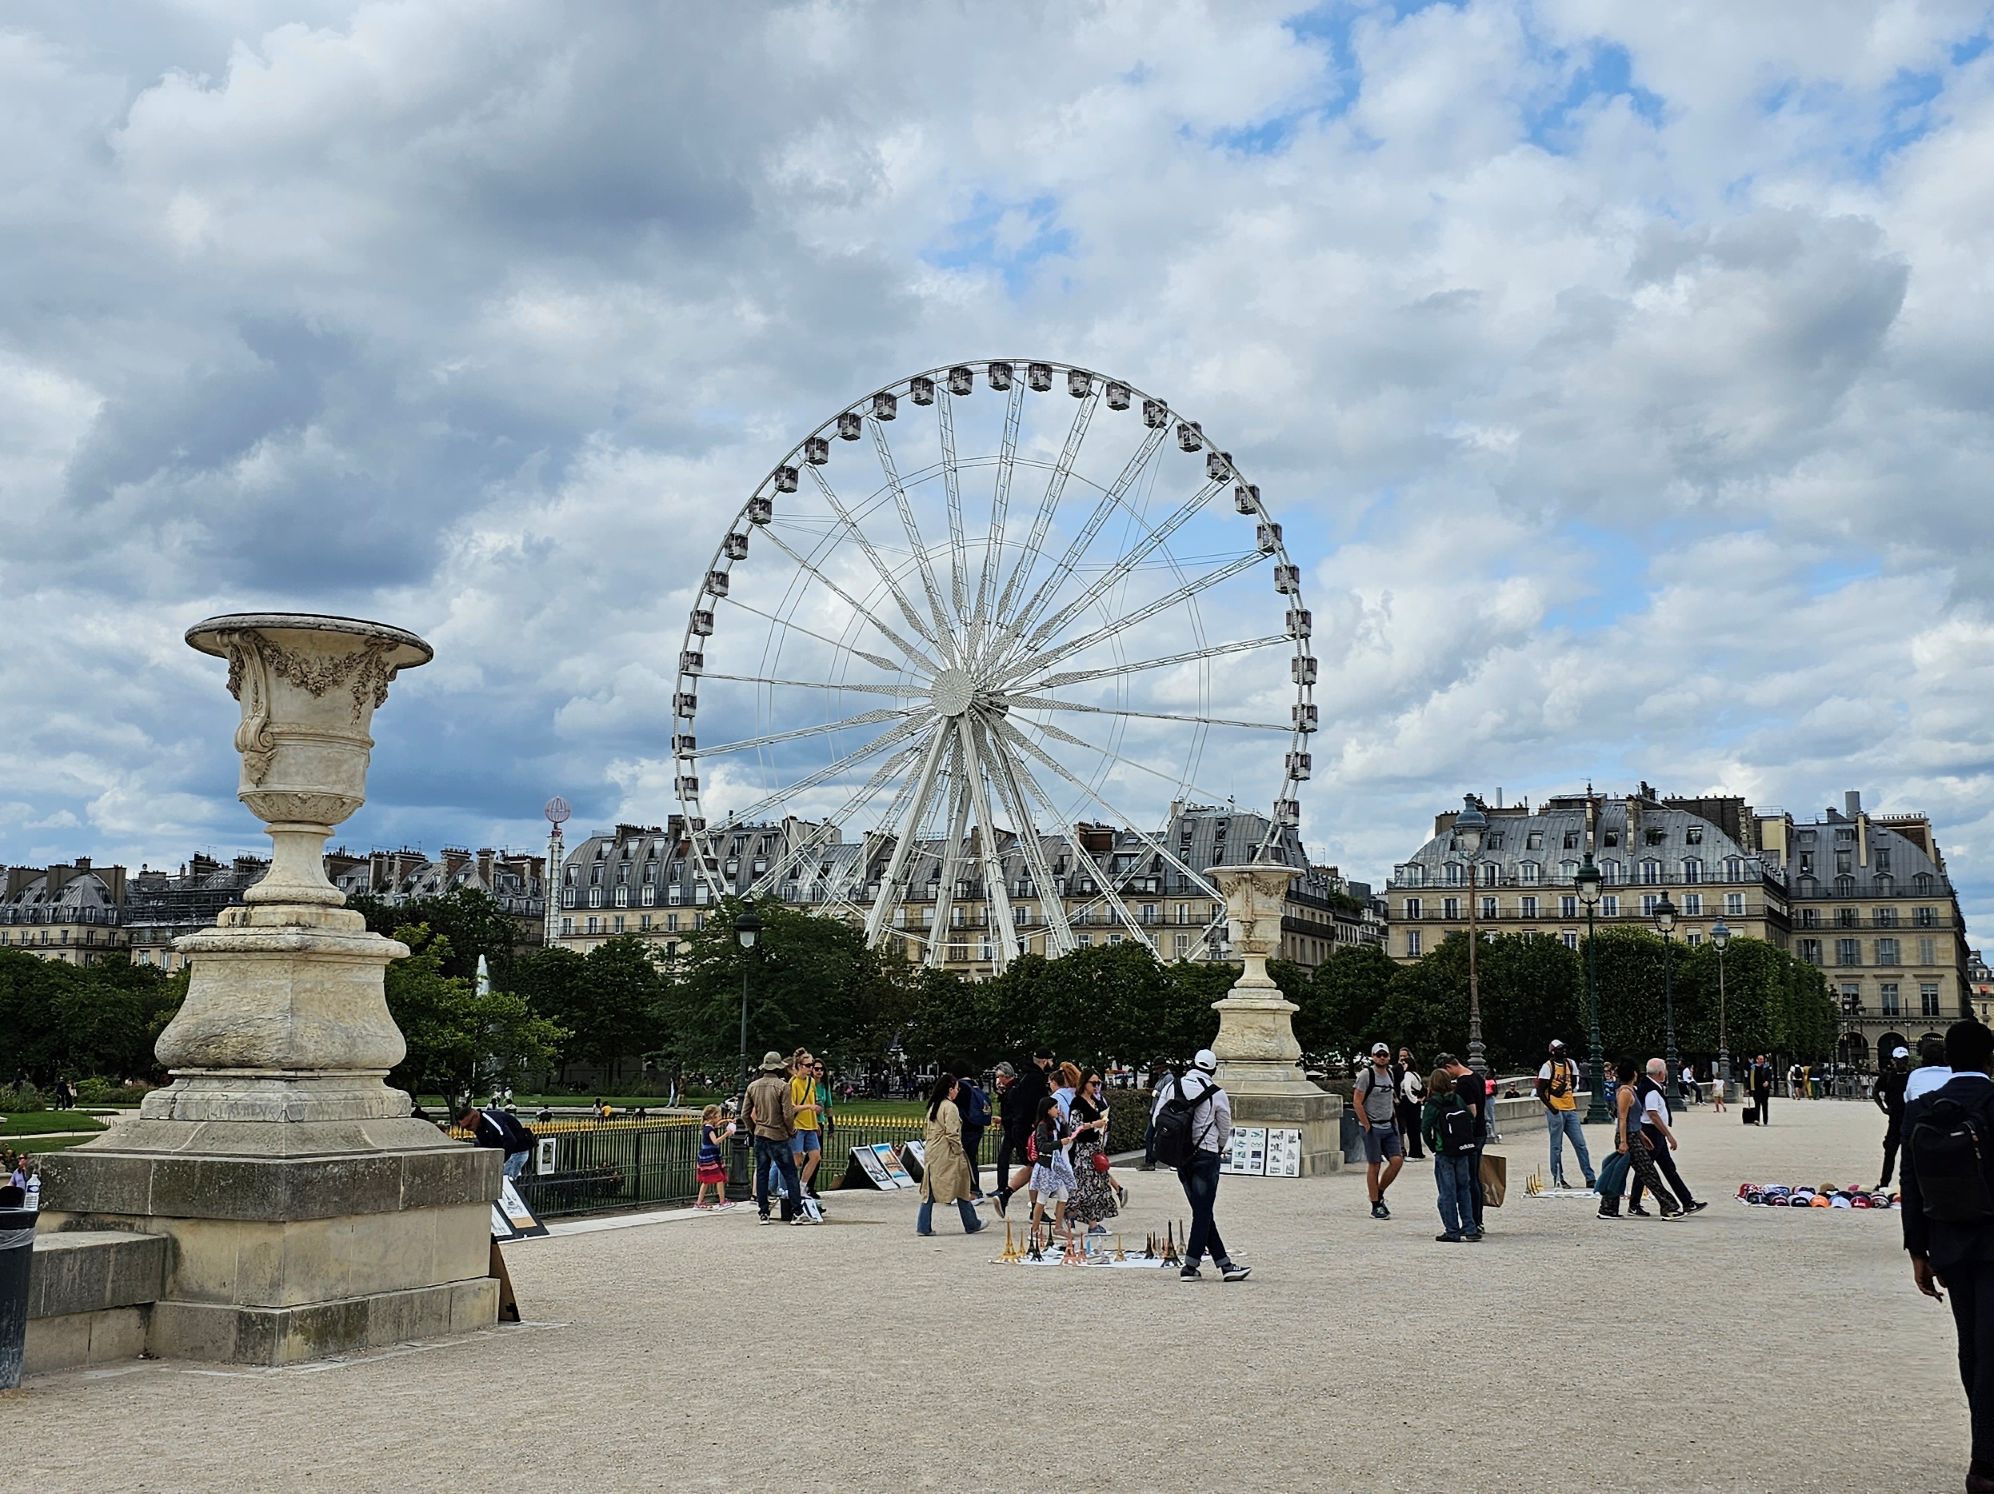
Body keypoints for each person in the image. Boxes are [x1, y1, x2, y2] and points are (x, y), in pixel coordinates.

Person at [1902, 1019, 1994, 1492]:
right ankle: (1985, 1460)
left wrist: (1918, 1250)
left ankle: (1983, 1450)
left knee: (1971, 1346)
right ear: (1988, 1058)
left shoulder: (1921, 1108)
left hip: (1951, 1240)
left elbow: (1910, 1184)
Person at [1151, 1049, 1248, 1281]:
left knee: (1201, 1210)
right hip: (1205, 1154)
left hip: (1180, 1154)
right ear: (1213, 1070)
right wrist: (1218, 1146)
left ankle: (1225, 1265)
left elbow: (1157, 1119)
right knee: (1203, 1211)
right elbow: (1224, 1128)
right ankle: (1190, 1266)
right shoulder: (1217, 1094)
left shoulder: (1172, 1086)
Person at [1597, 1057, 1681, 1220]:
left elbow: (1631, 1120)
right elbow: (1622, 1118)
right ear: (1634, 1074)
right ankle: (1668, 1206)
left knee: (1622, 1172)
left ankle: (1608, 1208)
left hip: (1633, 1136)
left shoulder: (1630, 1090)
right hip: (1628, 1137)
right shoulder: (1625, 1093)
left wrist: (1641, 1136)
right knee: (1648, 1172)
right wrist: (1623, 1141)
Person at [1628, 1058, 1706, 1215]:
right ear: (1661, 1073)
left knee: (1663, 1168)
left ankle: (1687, 1201)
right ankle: (1636, 1204)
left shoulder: (1648, 1086)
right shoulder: (1652, 1090)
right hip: (1653, 1132)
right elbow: (1653, 1114)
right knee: (1647, 1170)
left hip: (1653, 1131)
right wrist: (1668, 1135)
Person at [915, 1075, 986, 1237]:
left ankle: (923, 1225)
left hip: (933, 1150)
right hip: (948, 1152)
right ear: (950, 1089)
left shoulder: (934, 1106)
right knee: (961, 1185)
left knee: (930, 1187)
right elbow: (952, 1133)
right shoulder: (950, 1107)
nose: (957, 1091)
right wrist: (958, 1150)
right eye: (956, 1088)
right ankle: (971, 1223)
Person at [743, 1050, 806, 1226]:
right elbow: (787, 1114)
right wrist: (791, 1129)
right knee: (790, 1173)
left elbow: (745, 1114)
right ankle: (796, 1212)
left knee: (762, 1172)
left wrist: (753, 1129)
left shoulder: (752, 1086)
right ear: (778, 1068)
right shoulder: (783, 1086)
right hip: (778, 1135)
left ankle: (764, 1212)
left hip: (760, 1134)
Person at [1421, 1066, 1480, 1242]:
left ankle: (1452, 1230)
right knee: (1464, 1189)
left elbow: (1425, 1129)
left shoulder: (1433, 1104)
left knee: (1447, 1192)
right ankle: (1470, 1228)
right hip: (1461, 1149)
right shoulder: (1458, 1099)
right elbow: (1469, 1117)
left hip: (1444, 1150)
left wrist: (1434, 1146)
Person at [994, 1051, 1053, 1217]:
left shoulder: (1026, 1077)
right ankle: (1032, 1208)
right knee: (1035, 1167)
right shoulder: (1037, 1079)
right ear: (1044, 1061)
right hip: (1028, 1128)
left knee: (1032, 1167)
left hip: (1020, 1126)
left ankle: (1010, 1197)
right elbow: (1039, 1105)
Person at [1535, 1039, 1596, 1190]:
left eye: (1564, 1049)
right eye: (1560, 1049)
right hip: (1556, 1110)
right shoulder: (1548, 1067)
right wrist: (1552, 1107)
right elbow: (1540, 1091)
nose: (1564, 1052)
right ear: (1553, 1052)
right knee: (1556, 1146)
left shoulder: (1570, 1064)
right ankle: (1558, 1177)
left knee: (1580, 1144)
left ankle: (1590, 1177)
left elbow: (1573, 1082)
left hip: (1570, 1108)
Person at [1439, 1053, 1488, 1237]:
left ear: (1449, 1067)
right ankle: (1477, 1219)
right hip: (1481, 1132)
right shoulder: (1476, 1077)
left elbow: (1471, 1112)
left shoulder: (1463, 1083)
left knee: (1469, 1180)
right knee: (1475, 1177)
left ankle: (1473, 1221)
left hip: (1470, 1135)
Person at [1066, 1069, 1123, 1226]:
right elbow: (1074, 1126)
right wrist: (1093, 1124)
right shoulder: (1078, 1102)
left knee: (1096, 1185)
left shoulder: (1096, 1101)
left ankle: (1075, 1215)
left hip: (1096, 1147)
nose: (1097, 1086)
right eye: (1093, 1083)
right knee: (1087, 1186)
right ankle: (1091, 1223)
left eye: (1099, 1083)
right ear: (1084, 1083)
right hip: (1084, 1149)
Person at [1354, 1043, 1404, 1219]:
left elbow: (1391, 1098)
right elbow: (1357, 1101)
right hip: (1373, 1125)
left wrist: (1394, 1121)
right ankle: (1375, 1204)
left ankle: (1379, 1192)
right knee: (1374, 1164)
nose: (1382, 1058)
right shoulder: (1366, 1075)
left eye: (1385, 1055)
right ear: (1373, 1056)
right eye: (1379, 1055)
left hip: (1388, 1124)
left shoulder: (1390, 1073)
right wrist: (1366, 1124)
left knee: (1397, 1161)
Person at [1027, 1095, 1078, 1255]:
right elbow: (1042, 1145)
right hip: (1046, 1166)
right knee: (1042, 1199)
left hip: (1054, 1167)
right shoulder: (1042, 1126)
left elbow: (1063, 1135)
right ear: (1048, 1110)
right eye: (1055, 1107)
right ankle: (1034, 1229)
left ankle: (1057, 1227)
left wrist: (1064, 1125)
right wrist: (1059, 1143)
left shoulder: (1054, 1124)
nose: (1058, 1110)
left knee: (1063, 1195)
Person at [459, 1101, 533, 1181]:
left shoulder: (492, 1120)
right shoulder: (478, 1126)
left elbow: (510, 1140)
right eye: (464, 1128)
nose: (468, 1129)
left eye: (468, 1125)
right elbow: (486, 1144)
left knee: (503, 1181)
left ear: (476, 1117)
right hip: (507, 1153)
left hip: (516, 1153)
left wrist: (501, 1160)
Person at [789, 1049, 826, 1202]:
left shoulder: (811, 1081)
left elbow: (812, 1100)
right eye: (808, 1065)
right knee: (796, 1161)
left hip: (810, 1125)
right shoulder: (793, 1084)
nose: (811, 1068)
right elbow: (792, 1108)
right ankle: (790, 1187)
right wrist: (809, 1107)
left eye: (812, 1065)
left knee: (816, 1156)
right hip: (798, 1125)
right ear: (799, 1065)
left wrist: (815, 1121)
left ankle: (803, 1186)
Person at [1876, 1045, 1912, 1190]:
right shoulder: (1888, 1076)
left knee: (1909, 1154)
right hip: (1895, 1120)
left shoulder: (1911, 1076)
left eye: (1904, 1059)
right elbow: (1875, 1091)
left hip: (1908, 1118)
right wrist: (1883, 1108)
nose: (1902, 1062)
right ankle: (1884, 1183)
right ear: (1893, 1060)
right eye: (1899, 1060)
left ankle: (1909, 1184)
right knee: (1890, 1152)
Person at [956, 1069, 991, 1197]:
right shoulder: (975, 1086)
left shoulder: (961, 1087)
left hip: (966, 1127)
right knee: (971, 1159)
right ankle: (973, 1189)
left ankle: (973, 1190)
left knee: (965, 1160)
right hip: (977, 1126)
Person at [1909, 1033, 1973, 1103]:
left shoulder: (1915, 1074)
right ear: (1946, 1058)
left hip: (1922, 1111)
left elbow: (1909, 1097)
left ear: (1923, 1060)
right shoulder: (1955, 1074)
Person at [694, 1104, 736, 1211]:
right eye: (718, 1116)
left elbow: (717, 1124)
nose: (720, 1118)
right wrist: (727, 1133)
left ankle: (699, 1202)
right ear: (712, 1117)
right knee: (719, 1177)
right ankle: (722, 1201)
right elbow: (716, 1141)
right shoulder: (710, 1130)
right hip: (710, 1156)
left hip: (707, 1154)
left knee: (706, 1180)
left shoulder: (706, 1126)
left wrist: (726, 1121)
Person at [1395, 1047, 1426, 1160]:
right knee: (1415, 1128)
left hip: (1409, 1103)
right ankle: (1417, 1152)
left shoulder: (1407, 1075)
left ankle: (1414, 1153)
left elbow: (1407, 1089)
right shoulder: (1416, 1074)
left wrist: (1412, 1099)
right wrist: (1419, 1099)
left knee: (1411, 1129)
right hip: (1416, 1103)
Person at [1751, 1054, 1773, 1125]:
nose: (1761, 1060)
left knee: (1764, 1104)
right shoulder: (1753, 1068)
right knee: (1757, 1104)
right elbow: (1750, 1078)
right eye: (1760, 1059)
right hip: (1756, 1089)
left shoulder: (1767, 1068)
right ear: (1757, 1060)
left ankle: (1765, 1120)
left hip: (1764, 1089)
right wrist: (1748, 1088)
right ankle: (1757, 1119)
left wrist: (1767, 1081)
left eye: (1762, 1059)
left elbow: (1769, 1076)